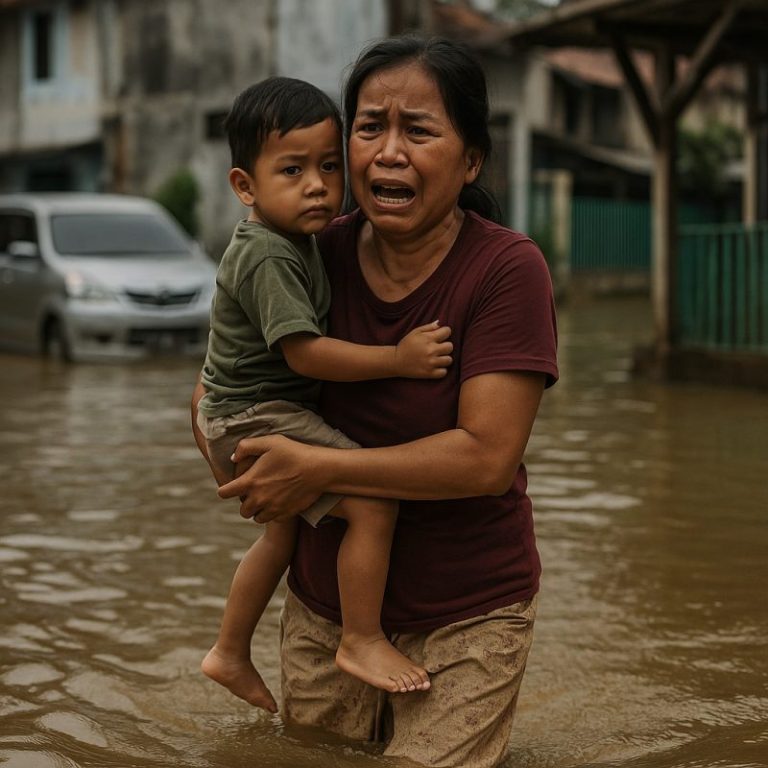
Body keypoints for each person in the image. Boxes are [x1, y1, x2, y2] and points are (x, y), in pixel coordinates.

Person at [193, 36, 558, 768]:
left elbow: (485, 459)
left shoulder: (505, 270)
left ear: (472, 160)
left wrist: (312, 470)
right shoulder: (306, 249)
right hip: (324, 608)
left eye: (418, 130)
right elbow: (214, 386)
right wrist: (240, 466)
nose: (388, 151)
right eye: (369, 127)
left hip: (468, 611)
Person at [195, 76, 454, 713]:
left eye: (329, 166)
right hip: (258, 413)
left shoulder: (297, 239)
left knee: (281, 539)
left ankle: (228, 651)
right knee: (372, 507)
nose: (316, 184)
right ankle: (360, 638)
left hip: (238, 412)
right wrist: (398, 358)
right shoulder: (269, 256)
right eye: (292, 170)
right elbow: (304, 353)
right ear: (245, 187)